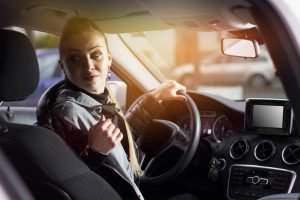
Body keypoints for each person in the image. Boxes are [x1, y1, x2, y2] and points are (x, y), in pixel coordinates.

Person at [39, 17, 196, 200]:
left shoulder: (99, 99)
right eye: (75, 58)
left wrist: (153, 99)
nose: (88, 66)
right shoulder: (68, 113)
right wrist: (95, 154)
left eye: (95, 54)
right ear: (63, 67)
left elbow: (120, 146)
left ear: (109, 60)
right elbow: (67, 187)